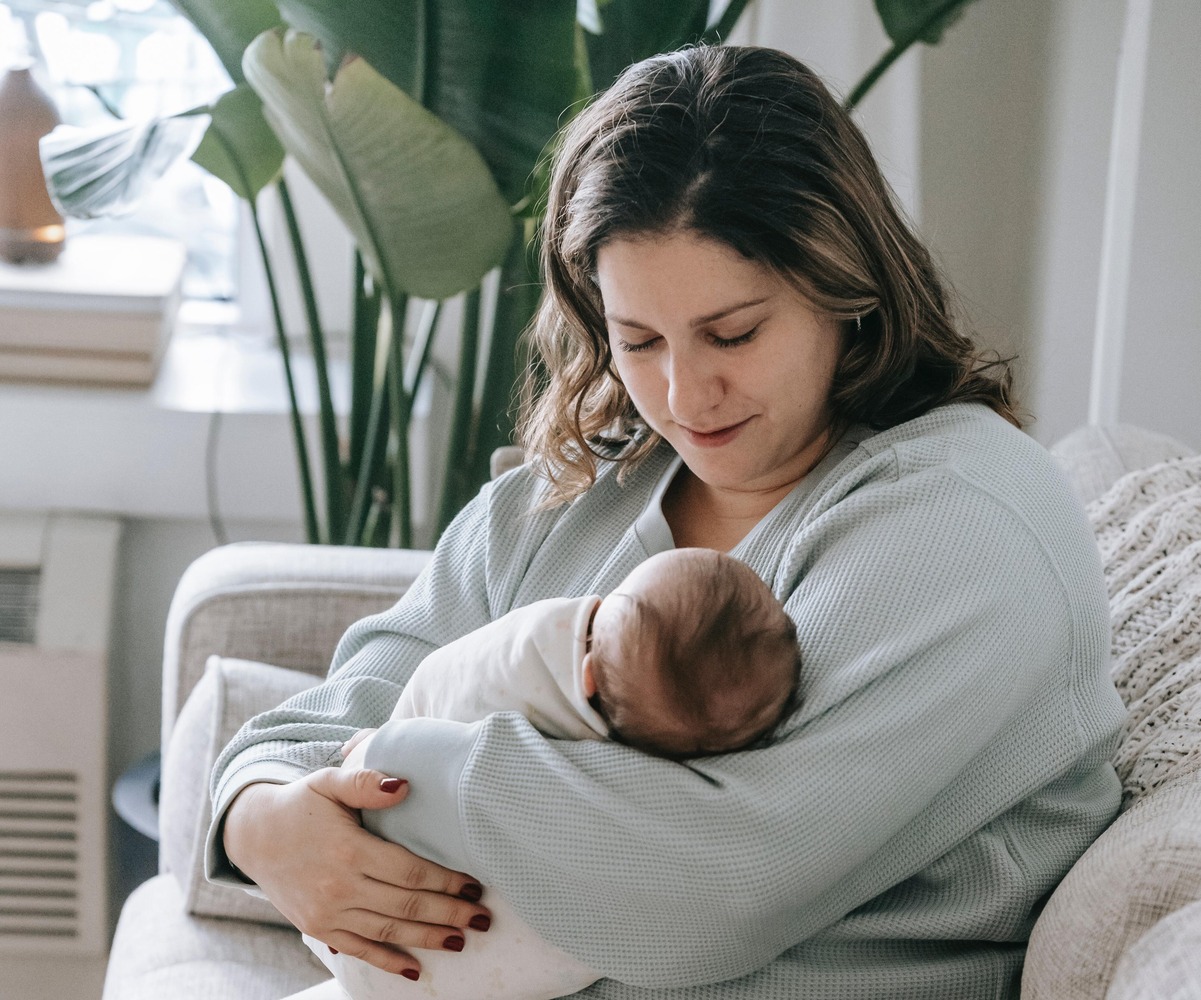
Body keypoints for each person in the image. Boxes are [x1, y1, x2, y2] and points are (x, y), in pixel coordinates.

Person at [208, 44, 1126, 999]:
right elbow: (341, 705)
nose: (685, 395)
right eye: (637, 341)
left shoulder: (964, 521)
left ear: (843, 288)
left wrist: (408, 765)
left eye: (734, 333)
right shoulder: (561, 500)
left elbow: (710, 888)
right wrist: (262, 819)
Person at [300, 546, 801, 1000]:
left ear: (586, 673)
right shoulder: (519, 516)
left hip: (378, 949)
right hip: (407, 939)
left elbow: (444, 682)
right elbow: (333, 702)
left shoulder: (532, 656)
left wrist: (392, 747)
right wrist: (255, 809)